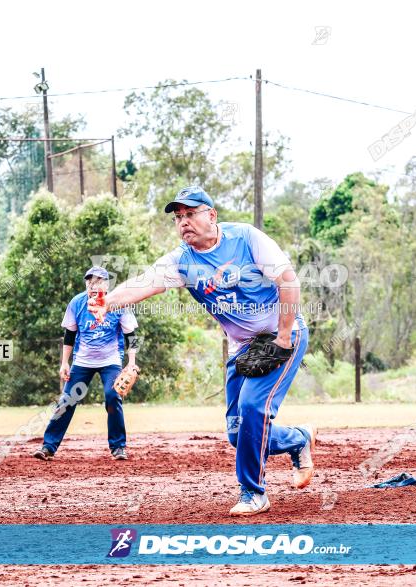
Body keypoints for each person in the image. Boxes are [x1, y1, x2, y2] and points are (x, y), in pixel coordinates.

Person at [90, 186, 314, 516]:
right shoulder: (183, 260)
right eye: (178, 217)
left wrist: (282, 337)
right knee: (238, 434)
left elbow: (289, 281)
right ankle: (297, 439)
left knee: (253, 407)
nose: (183, 222)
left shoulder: (246, 239)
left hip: (283, 335)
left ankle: (253, 493)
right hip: (243, 347)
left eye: (190, 213)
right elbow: (144, 281)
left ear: (211, 215)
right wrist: (107, 302)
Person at [33, 266, 140, 461]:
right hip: (83, 360)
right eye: (90, 282)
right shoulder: (77, 303)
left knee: (112, 396)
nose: (93, 285)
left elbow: (131, 336)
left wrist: (131, 363)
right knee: (67, 400)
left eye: (98, 281)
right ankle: (48, 446)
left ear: (106, 285)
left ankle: (118, 447)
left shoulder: (118, 303)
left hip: (110, 360)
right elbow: (70, 335)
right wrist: (64, 363)